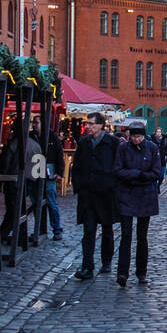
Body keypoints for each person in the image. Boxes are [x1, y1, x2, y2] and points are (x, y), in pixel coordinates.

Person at [113, 120, 162, 286]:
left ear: (144, 136)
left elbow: (156, 172)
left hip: (146, 196)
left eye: (139, 136)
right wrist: (138, 174)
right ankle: (122, 273)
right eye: (133, 136)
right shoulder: (123, 148)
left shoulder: (152, 148)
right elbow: (118, 170)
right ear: (129, 135)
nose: (136, 140)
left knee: (142, 236)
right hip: (127, 195)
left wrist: (137, 176)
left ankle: (141, 272)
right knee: (126, 235)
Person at [71, 112, 119, 280]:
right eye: (87, 123)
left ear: (100, 125)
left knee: (107, 230)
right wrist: (79, 186)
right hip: (88, 195)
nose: (88, 126)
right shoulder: (84, 143)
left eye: (91, 123)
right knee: (88, 231)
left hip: (106, 194)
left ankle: (106, 261)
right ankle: (87, 267)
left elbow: (118, 166)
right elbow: (76, 166)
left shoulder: (112, 142)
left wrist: (112, 184)